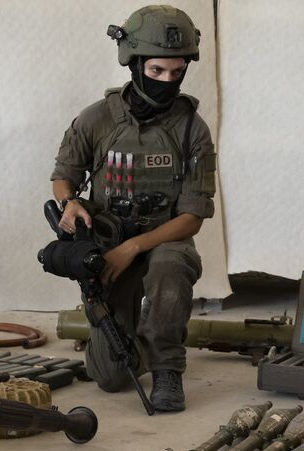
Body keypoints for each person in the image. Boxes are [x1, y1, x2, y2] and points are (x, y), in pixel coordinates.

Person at [50, 5, 217, 413]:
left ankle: (167, 368)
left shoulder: (193, 129)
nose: (167, 82)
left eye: (177, 73)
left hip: (165, 241)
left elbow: (191, 217)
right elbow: (63, 176)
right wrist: (70, 203)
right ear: (135, 63)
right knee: (110, 377)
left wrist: (135, 246)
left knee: (169, 267)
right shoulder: (98, 119)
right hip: (109, 243)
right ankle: (149, 331)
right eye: (157, 72)